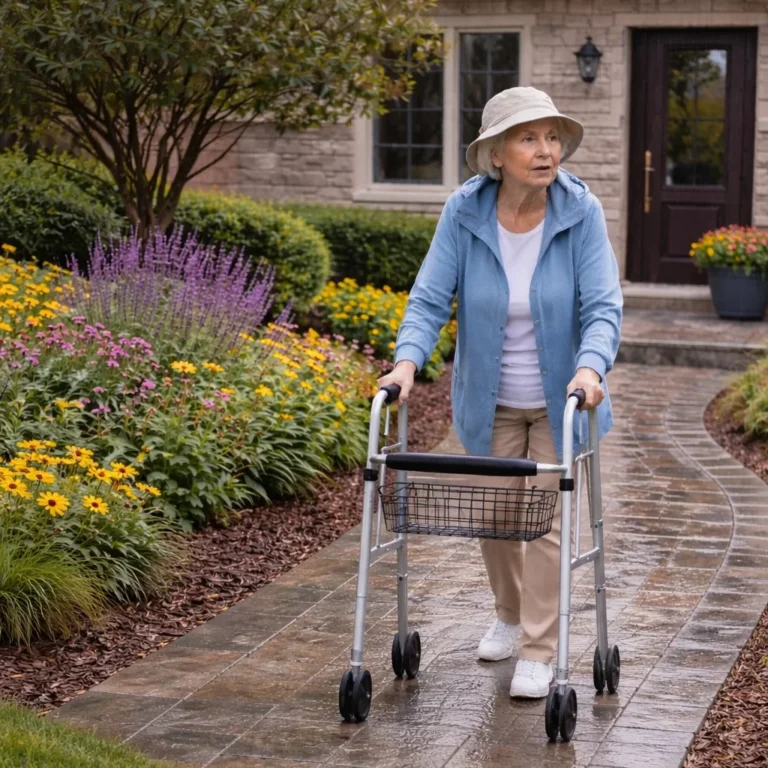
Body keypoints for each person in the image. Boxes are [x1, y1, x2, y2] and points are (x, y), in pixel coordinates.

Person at [378, 86, 622, 699]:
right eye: (528, 138)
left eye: (552, 137)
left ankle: (539, 650)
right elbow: (429, 299)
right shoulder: (464, 213)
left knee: (543, 520)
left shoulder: (580, 212)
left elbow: (602, 307)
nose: (546, 150)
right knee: (493, 517)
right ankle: (511, 615)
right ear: (495, 154)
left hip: (563, 401)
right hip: (490, 402)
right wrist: (406, 364)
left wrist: (591, 369)